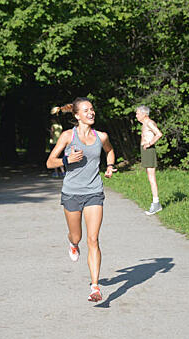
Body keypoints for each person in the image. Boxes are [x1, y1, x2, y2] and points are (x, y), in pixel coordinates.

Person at [47, 97, 116, 302]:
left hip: (94, 191)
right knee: (76, 236)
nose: (91, 113)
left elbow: (110, 151)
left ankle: (95, 287)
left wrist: (110, 166)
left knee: (93, 239)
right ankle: (72, 243)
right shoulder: (68, 136)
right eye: (86, 110)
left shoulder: (101, 136)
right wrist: (67, 160)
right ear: (77, 115)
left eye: (92, 109)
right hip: (71, 193)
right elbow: (50, 162)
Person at [136, 105, 163, 215]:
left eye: (138, 113)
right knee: (149, 177)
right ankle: (156, 203)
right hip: (145, 150)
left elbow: (159, 134)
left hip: (149, 150)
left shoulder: (149, 123)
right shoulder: (144, 124)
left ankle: (156, 204)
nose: (136, 116)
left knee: (152, 178)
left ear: (144, 114)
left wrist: (149, 143)